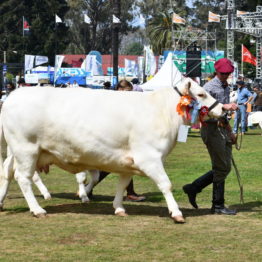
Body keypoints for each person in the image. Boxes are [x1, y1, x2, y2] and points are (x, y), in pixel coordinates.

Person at [183, 58, 238, 215]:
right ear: (216, 71)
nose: (225, 75)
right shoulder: (208, 87)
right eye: (223, 73)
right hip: (211, 129)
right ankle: (217, 205)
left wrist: (230, 131)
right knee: (222, 167)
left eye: (228, 73)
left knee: (224, 167)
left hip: (222, 129)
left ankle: (195, 188)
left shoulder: (225, 86)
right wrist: (224, 107)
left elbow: (223, 115)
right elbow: (202, 112)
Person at [88, 79, 146, 202]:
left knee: (126, 164)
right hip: (113, 137)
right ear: (120, 90)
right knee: (118, 165)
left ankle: (88, 188)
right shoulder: (113, 102)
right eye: (127, 91)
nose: (130, 94)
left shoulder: (122, 102)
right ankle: (88, 187)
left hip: (122, 137)